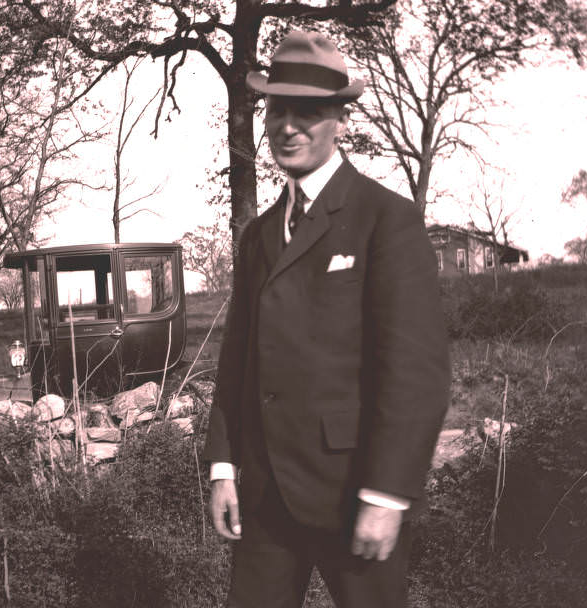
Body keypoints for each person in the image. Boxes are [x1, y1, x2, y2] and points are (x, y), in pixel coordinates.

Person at [203, 31, 451, 608]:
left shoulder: (385, 219)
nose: (287, 125)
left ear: (339, 118)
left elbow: (416, 374)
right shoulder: (260, 234)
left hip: (353, 492)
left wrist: (387, 494)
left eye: (307, 112)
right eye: (276, 109)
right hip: (264, 497)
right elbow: (236, 359)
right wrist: (222, 466)